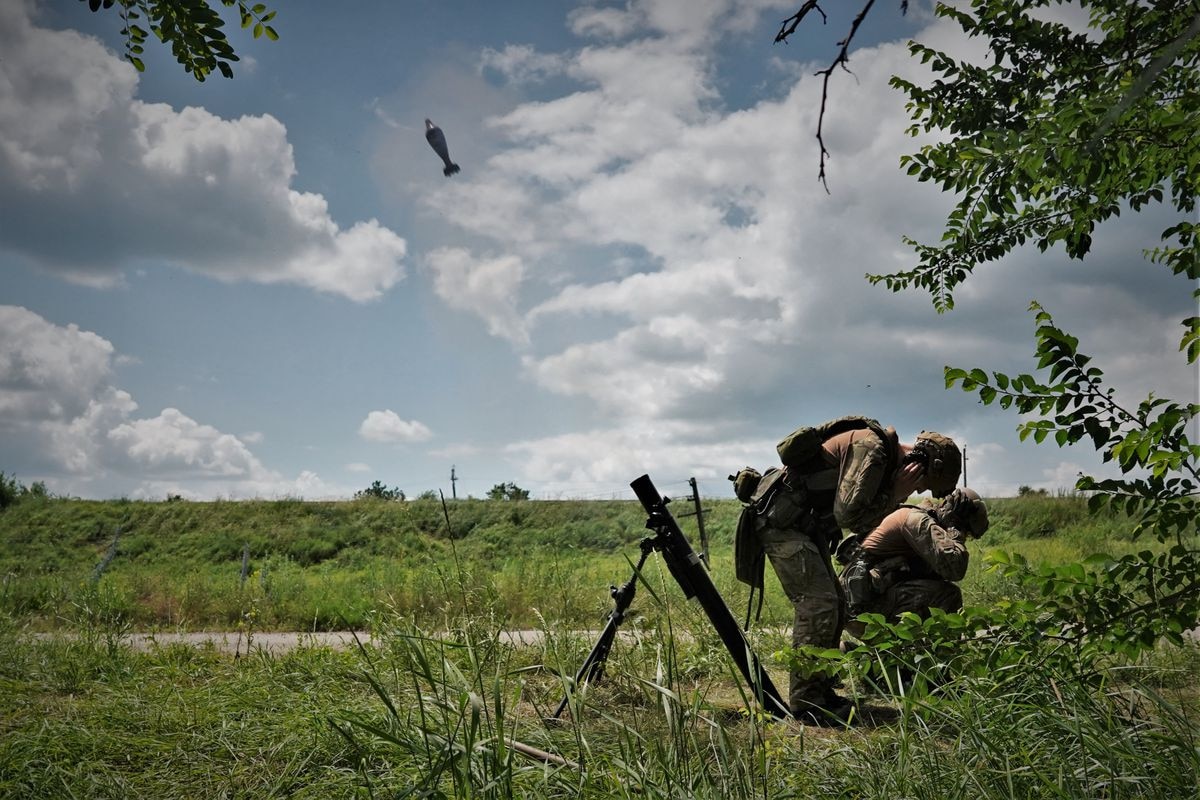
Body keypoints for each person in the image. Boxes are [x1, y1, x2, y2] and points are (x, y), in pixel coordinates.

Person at [732, 417, 961, 724]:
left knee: (836, 604)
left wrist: (891, 494)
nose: (920, 491)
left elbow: (863, 521)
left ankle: (821, 692)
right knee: (819, 605)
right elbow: (848, 512)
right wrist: (894, 493)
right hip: (780, 522)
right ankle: (807, 704)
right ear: (920, 465)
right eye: (924, 482)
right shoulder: (873, 449)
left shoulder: (884, 463)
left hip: (802, 525)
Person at [838, 487, 989, 641]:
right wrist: (954, 529)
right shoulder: (916, 519)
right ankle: (946, 658)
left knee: (932, 590)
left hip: (861, 607)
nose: (964, 537)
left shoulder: (920, 520)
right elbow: (955, 569)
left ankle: (856, 652)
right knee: (948, 595)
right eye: (966, 531)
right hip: (864, 606)